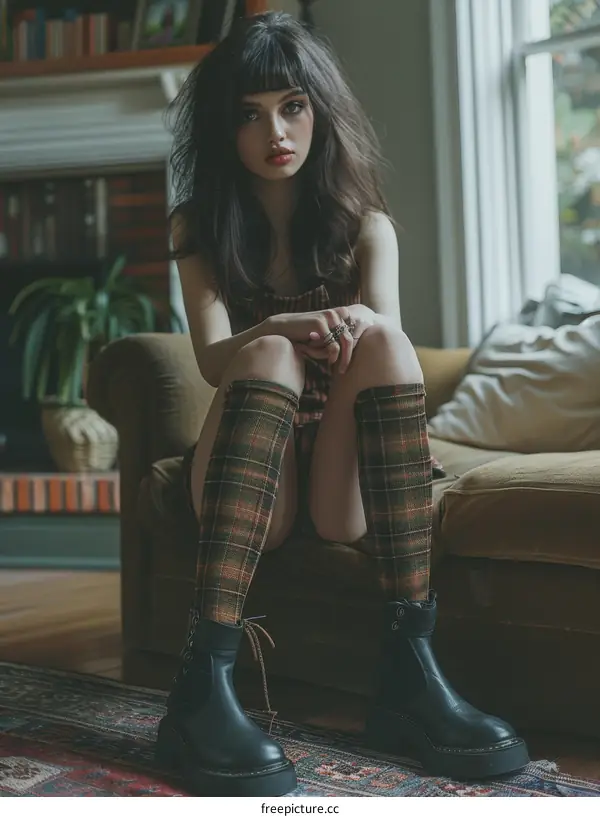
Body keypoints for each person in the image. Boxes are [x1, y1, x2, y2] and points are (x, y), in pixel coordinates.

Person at [156, 11, 530, 796]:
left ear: (320, 112)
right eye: (250, 114)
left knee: (389, 341)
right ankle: (204, 679)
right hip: (247, 471)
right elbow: (213, 358)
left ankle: (410, 665)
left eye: (294, 106)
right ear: (224, 129)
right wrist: (285, 325)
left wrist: (360, 321)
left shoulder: (367, 225)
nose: (276, 132)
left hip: (337, 483)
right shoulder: (197, 225)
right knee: (264, 351)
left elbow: (389, 339)